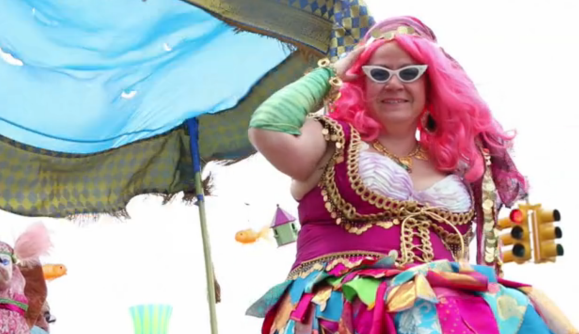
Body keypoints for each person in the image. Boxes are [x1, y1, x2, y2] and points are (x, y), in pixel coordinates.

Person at [244, 16, 576, 334]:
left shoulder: (459, 167)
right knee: (424, 306)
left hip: (442, 313)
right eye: (378, 73)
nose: (394, 83)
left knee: (518, 308)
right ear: (360, 81)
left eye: (410, 72)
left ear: (433, 83)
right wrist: (335, 70)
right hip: (342, 311)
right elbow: (268, 126)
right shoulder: (331, 140)